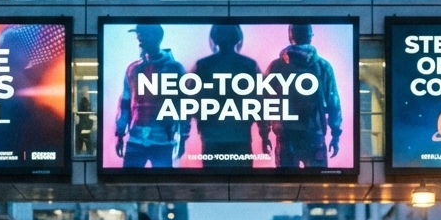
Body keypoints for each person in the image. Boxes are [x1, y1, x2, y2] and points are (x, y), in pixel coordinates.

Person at [266, 23, 343, 168]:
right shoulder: (323, 66)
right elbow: (334, 103)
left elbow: (264, 103)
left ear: (290, 37)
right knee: (317, 187)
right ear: (310, 37)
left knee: (286, 187)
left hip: (286, 135)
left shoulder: (276, 67)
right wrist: (335, 136)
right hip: (315, 135)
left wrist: (265, 135)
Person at [193, 24, 268, 167]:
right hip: (240, 138)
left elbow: (192, 102)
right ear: (238, 39)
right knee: (242, 185)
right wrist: (264, 134)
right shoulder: (249, 65)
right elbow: (260, 103)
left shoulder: (203, 65)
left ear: (214, 39)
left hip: (212, 138)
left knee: (213, 185)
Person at [114, 24, 188, 168]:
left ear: (156, 37)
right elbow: (125, 103)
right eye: (138, 36)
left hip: (163, 141)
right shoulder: (133, 68)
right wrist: (120, 134)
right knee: (129, 186)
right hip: (135, 140)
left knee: (164, 187)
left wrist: (183, 138)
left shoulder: (174, 68)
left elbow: (183, 105)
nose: (139, 39)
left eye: (143, 35)